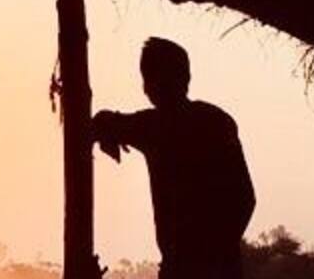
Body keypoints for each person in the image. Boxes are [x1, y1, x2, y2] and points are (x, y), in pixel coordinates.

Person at [93, 37, 256, 278]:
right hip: (221, 266)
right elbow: (245, 199)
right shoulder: (217, 122)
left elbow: (102, 123)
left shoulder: (153, 127)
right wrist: (219, 249)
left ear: (147, 85)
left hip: (182, 267)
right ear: (187, 77)